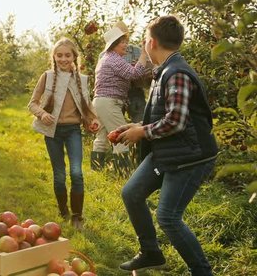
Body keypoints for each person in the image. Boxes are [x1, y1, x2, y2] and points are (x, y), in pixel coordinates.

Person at [115, 15, 218, 274]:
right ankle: (151, 252)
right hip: (171, 150)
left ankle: (202, 272)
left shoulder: (176, 73)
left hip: (191, 155)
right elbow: (166, 114)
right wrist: (135, 126)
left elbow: (176, 121)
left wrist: (143, 133)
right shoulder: (164, 72)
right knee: (132, 193)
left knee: (168, 217)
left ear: (151, 42)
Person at [28, 38, 100, 230]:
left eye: (67, 55)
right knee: (59, 175)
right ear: (54, 56)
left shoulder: (81, 80)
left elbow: (87, 105)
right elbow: (32, 103)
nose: (63, 59)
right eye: (59, 55)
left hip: (73, 130)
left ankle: (77, 216)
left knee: (76, 172)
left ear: (74, 57)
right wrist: (42, 114)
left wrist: (94, 120)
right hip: (52, 132)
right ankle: (63, 211)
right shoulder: (48, 77)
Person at [90, 21, 150, 171]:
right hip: (109, 103)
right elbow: (134, 74)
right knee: (121, 136)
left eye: (126, 41)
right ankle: (124, 174)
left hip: (100, 101)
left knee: (102, 137)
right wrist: (144, 53)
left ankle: (96, 170)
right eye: (123, 42)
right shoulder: (114, 59)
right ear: (114, 44)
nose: (126, 45)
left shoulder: (107, 58)